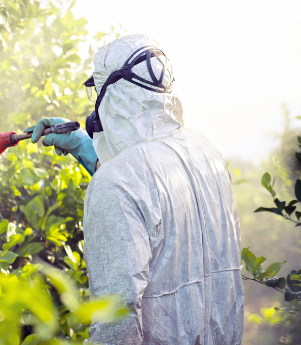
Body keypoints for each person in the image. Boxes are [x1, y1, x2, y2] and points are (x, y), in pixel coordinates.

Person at [30, 34, 244, 344]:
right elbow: (153, 193)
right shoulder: (206, 153)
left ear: (112, 96)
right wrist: (87, 149)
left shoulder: (117, 183)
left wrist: (104, 172)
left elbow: (117, 319)